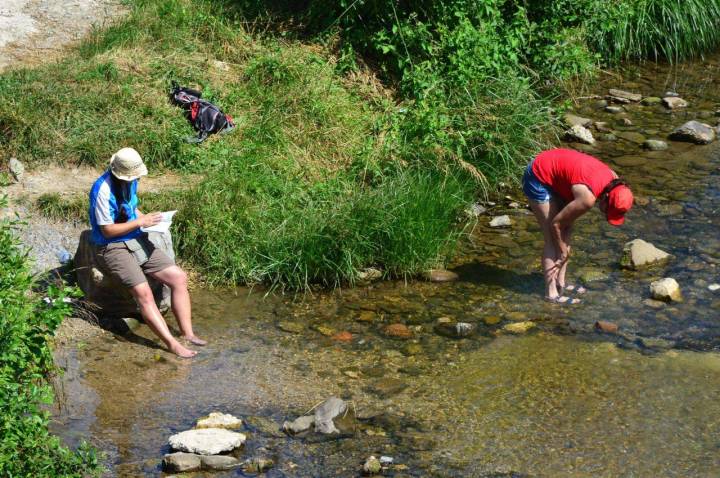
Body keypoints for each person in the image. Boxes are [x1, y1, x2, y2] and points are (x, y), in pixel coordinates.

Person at [89, 147, 206, 357]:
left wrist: (150, 221)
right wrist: (140, 221)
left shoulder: (132, 182)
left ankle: (188, 334)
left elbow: (131, 209)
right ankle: (171, 343)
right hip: (111, 246)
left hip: (135, 237)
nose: (134, 179)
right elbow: (107, 231)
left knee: (178, 277)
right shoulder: (102, 190)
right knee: (144, 293)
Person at [522, 148, 633, 304]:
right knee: (552, 240)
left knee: (567, 230)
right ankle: (551, 293)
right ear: (606, 197)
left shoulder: (615, 180)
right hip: (538, 175)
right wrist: (562, 251)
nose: (605, 215)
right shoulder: (587, 198)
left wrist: (563, 250)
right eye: (608, 211)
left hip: (558, 172)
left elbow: (563, 227)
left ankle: (561, 283)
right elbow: (556, 225)